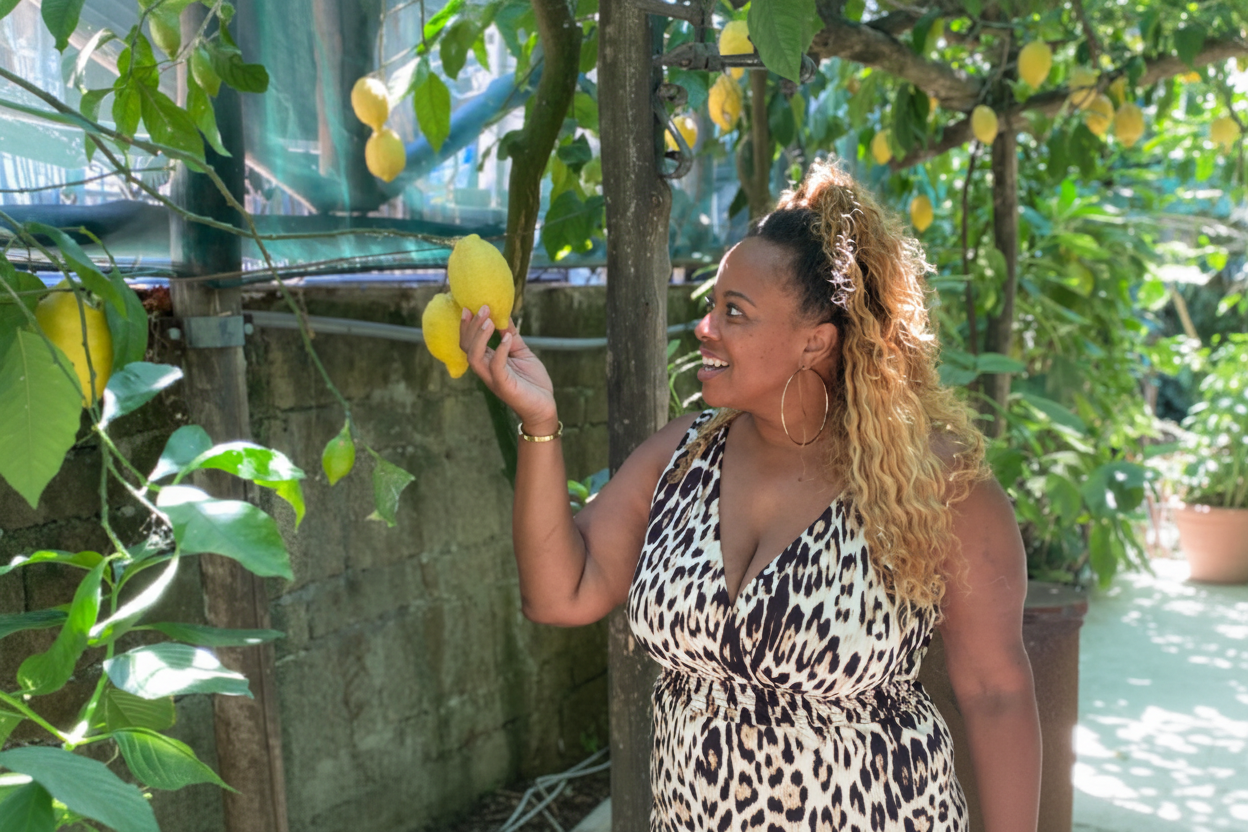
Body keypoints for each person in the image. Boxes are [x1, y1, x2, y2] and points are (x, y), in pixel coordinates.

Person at [458, 160, 1041, 832]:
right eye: (711, 306)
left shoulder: (935, 479)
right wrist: (540, 423)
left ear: (814, 342)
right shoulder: (684, 456)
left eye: (733, 312)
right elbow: (560, 594)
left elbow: (997, 693)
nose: (704, 328)